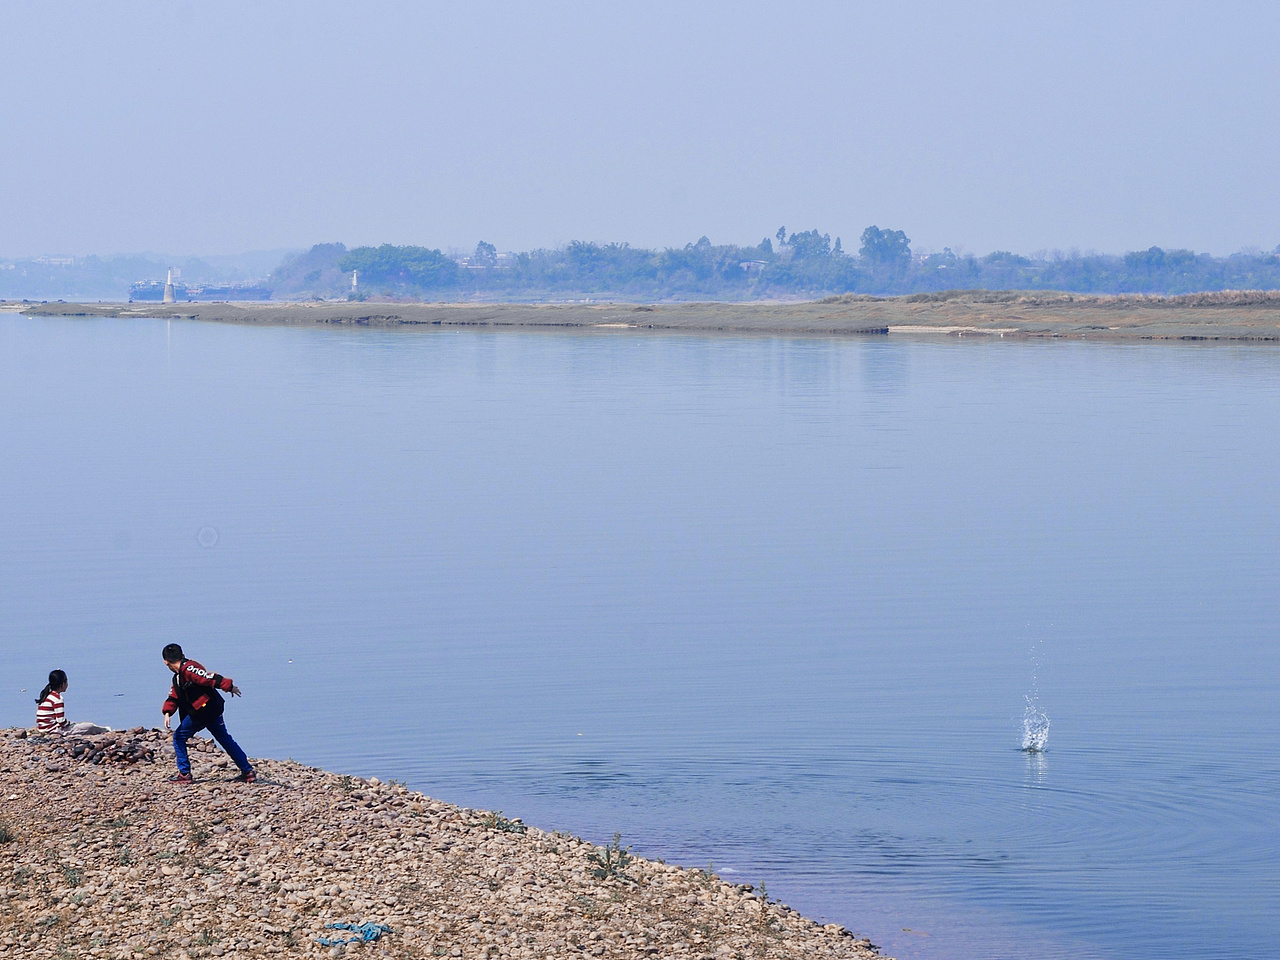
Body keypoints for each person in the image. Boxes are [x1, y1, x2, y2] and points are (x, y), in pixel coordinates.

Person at [160, 643, 255, 784]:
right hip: (212, 710)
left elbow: (208, 678)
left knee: (179, 737)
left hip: (202, 712)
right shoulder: (178, 677)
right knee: (224, 739)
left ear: (166, 662)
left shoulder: (189, 669)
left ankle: (184, 774)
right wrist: (167, 712)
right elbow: (174, 695)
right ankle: (248, 772)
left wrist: (229, 686)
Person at [34, 669, 112, 736]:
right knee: (89, 726)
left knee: (77, 725)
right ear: (63, 684)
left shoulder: (47, 695)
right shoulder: (57, 699)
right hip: (53, 730)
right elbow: (61, 722)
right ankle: (105, 730)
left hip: (43, 728)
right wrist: (68, 723)